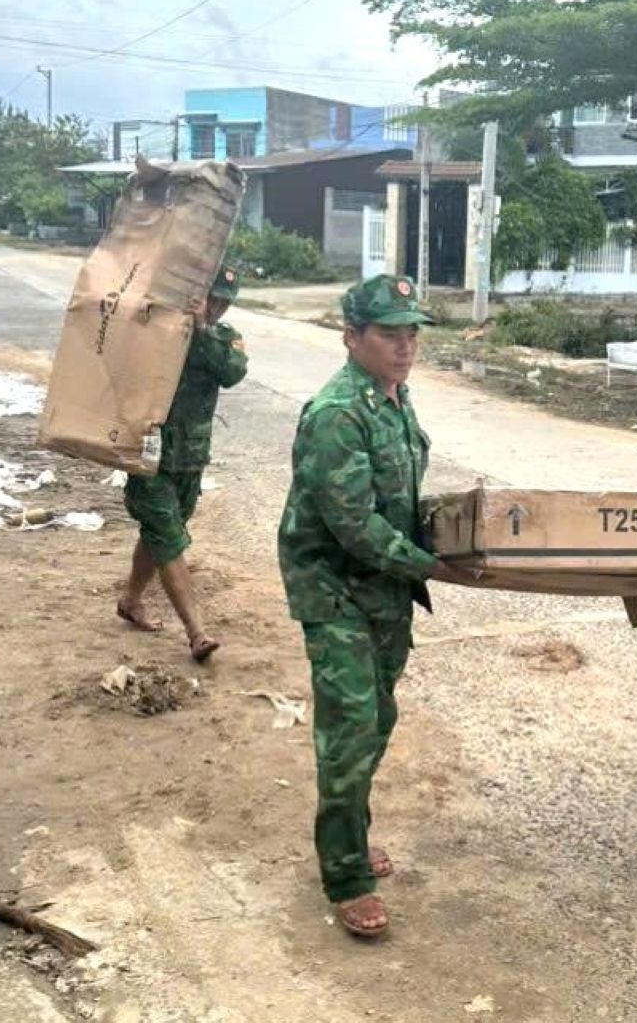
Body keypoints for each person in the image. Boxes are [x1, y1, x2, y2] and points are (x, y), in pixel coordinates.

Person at [277, 274, 470, 939]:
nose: (405, 344)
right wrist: (433, 565)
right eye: (390, 333)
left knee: (378, 714)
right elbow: (353, 524)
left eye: (412, 331)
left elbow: (399, 501)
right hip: (333, 588)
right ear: (352, 337)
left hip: (382, 588)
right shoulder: (336, 413)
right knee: (351, 727)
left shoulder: (393, 400)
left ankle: (350, 832)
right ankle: (346, 874)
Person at [116, 264, 247, 663]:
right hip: (149, 453)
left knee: (162, 533)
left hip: (191, 458)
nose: (218, 307)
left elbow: (233, 373)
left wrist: (203, 329)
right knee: (168, 537)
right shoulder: (160, 328)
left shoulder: (224, 339)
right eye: (213, 298)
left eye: (225, 302)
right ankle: (197, 633)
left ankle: (131, 599)